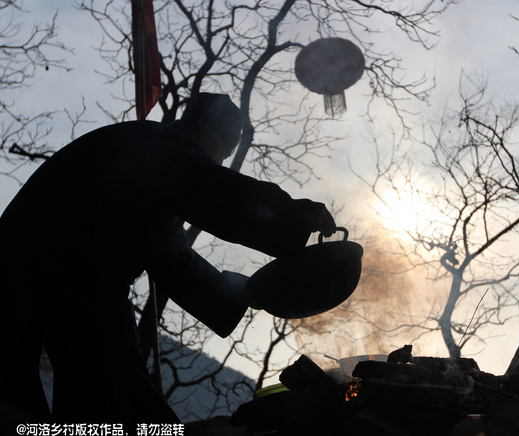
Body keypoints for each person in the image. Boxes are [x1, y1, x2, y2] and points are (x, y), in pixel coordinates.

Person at [0, 93, 336, 430]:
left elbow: (174, 259)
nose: (218, 162)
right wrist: (297, 216)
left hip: (30, 265)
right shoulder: (157, 145)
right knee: (116, 390)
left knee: (19, 402)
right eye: (223, 150)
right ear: (204, 124)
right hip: (65, 263)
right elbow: (212, 189)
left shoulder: (146, 163)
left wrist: (246, 293)